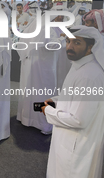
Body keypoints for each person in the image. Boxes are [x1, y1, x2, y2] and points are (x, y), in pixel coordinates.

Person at [42, 25, 104, 178]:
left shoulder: (88, 75)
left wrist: (48, 110)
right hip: (69, 139)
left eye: (77, 43)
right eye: (68, 41)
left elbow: (79, 120)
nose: (70, 47)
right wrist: (56, 101)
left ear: (90, 47)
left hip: (77, 146)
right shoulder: (80, 65)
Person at [16, 13, 61, 134]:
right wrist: (63, 38)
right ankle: (43, 123)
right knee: (44, 92)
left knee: (31, 92)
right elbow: (52, 45)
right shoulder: (48, 29)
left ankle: (27, 118)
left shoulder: (34, 27)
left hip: (31, 66)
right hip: (43, 68)